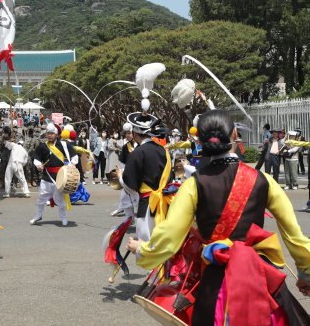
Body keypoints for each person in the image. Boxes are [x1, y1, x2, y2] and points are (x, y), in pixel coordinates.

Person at [127, 110, 310, 325]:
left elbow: (169, 236)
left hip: (214, 280)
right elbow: (295, 236)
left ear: (199, 141)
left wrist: (142, 249)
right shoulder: (264, 180)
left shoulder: (193, 184)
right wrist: (306, 273)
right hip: (259, 278)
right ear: (234, 134)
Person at [121, 113, 171, 241]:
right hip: (166, 205)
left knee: (145, 244)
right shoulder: (164, 151)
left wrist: (120, 177)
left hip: (146, 205)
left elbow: (130, 186)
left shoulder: (136, 153)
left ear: (135, 134)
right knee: (162, 244)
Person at [30, 123, 78, 226]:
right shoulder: (42, 146)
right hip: (46, 176)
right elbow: (36, 159)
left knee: (60, 200)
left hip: (60, 177)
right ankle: (38, 215)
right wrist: (38, 165)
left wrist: (70, 166)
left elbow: (74, 157)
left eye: (52, 133)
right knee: (41, 198)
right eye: (48, 133)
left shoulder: (64, 145)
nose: (50, 135)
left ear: (56, 134)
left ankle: (63, 218)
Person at [111, 123, 138, 217]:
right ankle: (129, 218)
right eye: (126, 133)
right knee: (125, 197)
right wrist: (122, 174)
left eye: (129, 133)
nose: (127, 135)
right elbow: (123, 164)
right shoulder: (125, 147)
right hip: (129, 176)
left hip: (141, 177)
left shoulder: (141, 145)